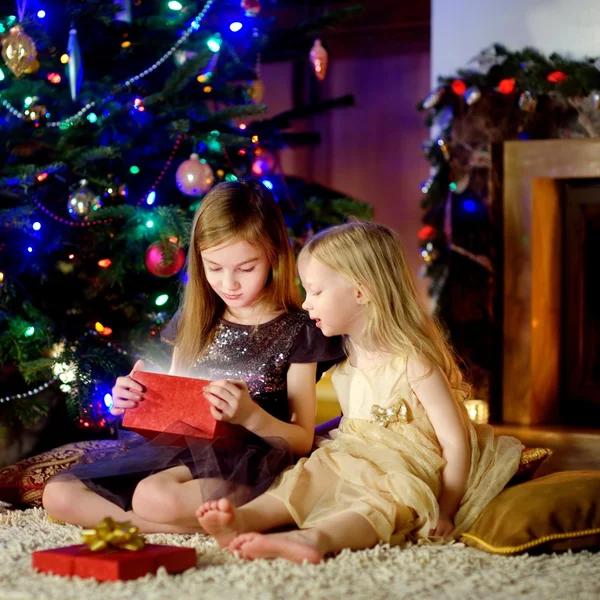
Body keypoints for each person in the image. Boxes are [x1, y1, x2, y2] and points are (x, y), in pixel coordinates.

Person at [196, 221, 523, 563]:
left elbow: (455, 440)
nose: (306, 305)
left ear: (360, 292)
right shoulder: (348, 354)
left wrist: (446, 508)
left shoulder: (413, 361)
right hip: (355, 451)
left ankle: (316, 539)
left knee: (381, 501)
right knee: (309, 475)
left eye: (316, 291)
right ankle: (247, 518)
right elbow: (354, 421)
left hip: (408, 465)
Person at [42, 180, 343, 533]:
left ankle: (226, 515)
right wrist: (136, 401)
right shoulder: (192, 320)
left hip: (248, 459)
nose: (229, 283)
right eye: (214, 268)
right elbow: (172, 420)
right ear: (199, 260)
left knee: (153, 496)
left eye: (245, 268)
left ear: (274, 254)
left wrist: (249, 416)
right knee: (58, 493)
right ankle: (171, 526)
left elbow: (300, 440)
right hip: (178, 456)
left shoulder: (298, 330)